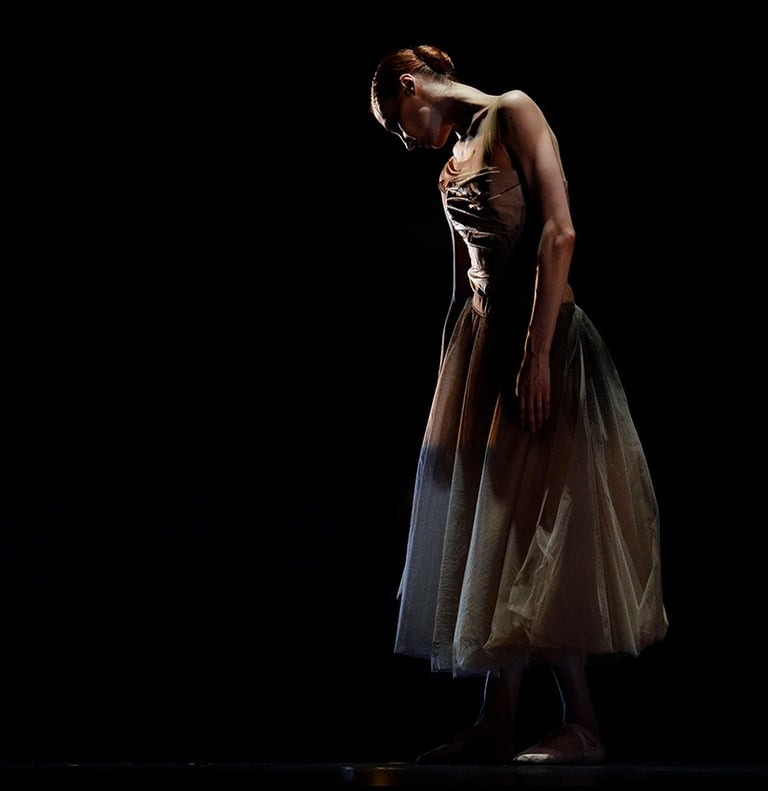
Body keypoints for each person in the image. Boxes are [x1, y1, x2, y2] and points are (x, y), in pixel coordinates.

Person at [369, 44, 668, 766]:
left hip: (546, 342)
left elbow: (559, 233)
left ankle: (583, 723)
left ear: (411, 86)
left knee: (541, 523)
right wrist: (451, 386)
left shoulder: (512, 112)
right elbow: (460, 285)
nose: (403, 139)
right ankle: (497, 715)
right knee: (497, 526)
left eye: (394, 121)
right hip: (488, 351)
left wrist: (537, 355)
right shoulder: (453, 161)